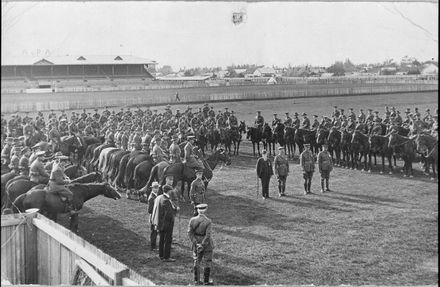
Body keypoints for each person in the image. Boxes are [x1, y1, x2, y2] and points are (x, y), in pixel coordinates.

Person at [188, 203, 214, 285]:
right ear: (205, 210)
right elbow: (208, 235)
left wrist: (196, 243)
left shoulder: (192, 220)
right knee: (207, 261)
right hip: (207, 244)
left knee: (196, 260)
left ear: (198, 210)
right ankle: (206, 281)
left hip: (196, 243)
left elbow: (190, 233)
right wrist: (202, 244)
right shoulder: (208, 221)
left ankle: (196, 280)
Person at [151, 185, 177, 262]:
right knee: (167, 240)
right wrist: (174, 211)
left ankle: (161, 255)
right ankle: (166, 257)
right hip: (167, 224)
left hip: (161, 223)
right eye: (171, 190)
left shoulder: (161, 197)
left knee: (162, 239)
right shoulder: (166, 200)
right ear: (168, 191)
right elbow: (169, 214)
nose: (172, 192)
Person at [147, 181, 160, 251]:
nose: (156, 189)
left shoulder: (156, 196)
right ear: (152, 188)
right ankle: (153, 246)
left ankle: (154, 245)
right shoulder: (151, 197)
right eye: (155, 188)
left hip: (156, 216)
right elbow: (149, 210)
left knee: (156, 231)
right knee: (154, 232)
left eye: (157, 188)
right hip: (153, 216)